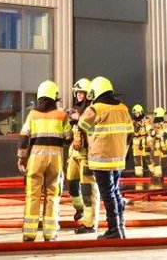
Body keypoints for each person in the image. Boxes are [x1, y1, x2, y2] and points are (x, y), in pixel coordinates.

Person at [74, 76, 131, 239]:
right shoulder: (123, 108)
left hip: (100, 160)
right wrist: (121, 153)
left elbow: (81, 128)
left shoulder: (94, 109)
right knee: (116, 193)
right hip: (118, 160)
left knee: (108, 194)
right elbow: (130, 134)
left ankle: (114, 230)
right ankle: (120, 228)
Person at [18, 81, 71, 242]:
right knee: (52, 195)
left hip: (36, 160)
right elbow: (69, 137)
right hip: (55, 161)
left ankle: (29, 234)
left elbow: (24, 137)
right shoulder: (61, 115)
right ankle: (50, 233)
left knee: (33, 196)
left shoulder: (33, 115)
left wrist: (21, 158)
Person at [66, 78, 100, 234]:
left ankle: (89, 223)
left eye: (82, 92)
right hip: (74, 152)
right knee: (71, 182)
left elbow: (90, 128)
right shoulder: (77, 108)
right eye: (78, 92)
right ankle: (79, 209)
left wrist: (77, 119)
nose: (79, 95)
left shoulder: (92, 109)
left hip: (86, 154)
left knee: (87, 189)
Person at [146, 107, 167, 186]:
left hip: (164, 145)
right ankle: (158, 175)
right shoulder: (156, 124)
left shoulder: (165, 124)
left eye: (155, 114)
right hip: (157, 145)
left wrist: (159, 133)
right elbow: (153, 134)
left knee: (165, 160)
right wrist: (152, 134)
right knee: (156, 160)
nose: (154, 116)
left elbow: (166, 134)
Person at [129, 105, 150, 178]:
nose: (136, 115)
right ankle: (139, 175)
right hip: (136, 142)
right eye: (135, 113)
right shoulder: (133, 121)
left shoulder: (146, 120)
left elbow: (149, 131)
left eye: (137, 113)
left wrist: (143, 134)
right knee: (137, 159)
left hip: (144, 141)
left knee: (148, 158)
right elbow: (130, 131)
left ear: (141, 112)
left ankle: (154, 173)